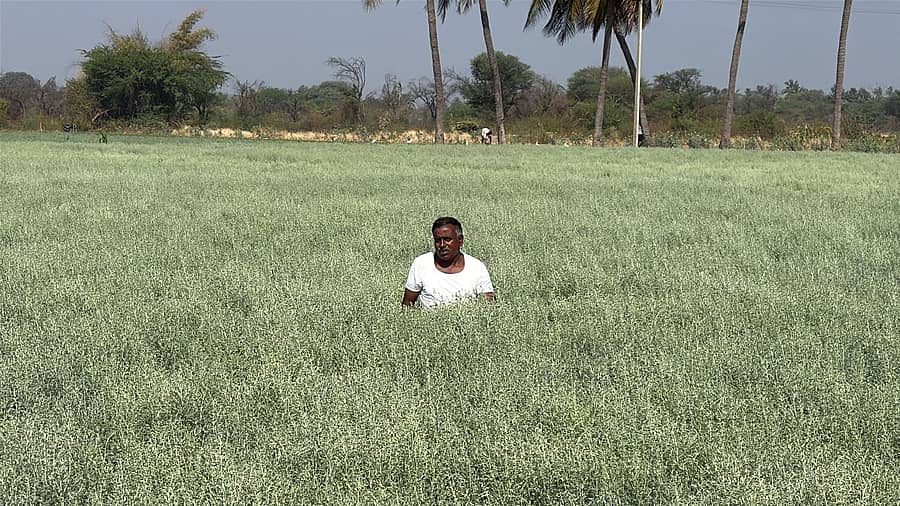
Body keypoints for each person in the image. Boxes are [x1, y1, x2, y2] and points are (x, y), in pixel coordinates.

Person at [402, 217, 495, 307]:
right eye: (438, 240)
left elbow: (489, 306)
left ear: (460, 240)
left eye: (447, 239)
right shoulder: (421, 264)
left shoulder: (477, 268)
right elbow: (407, 306)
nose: (442, 245)